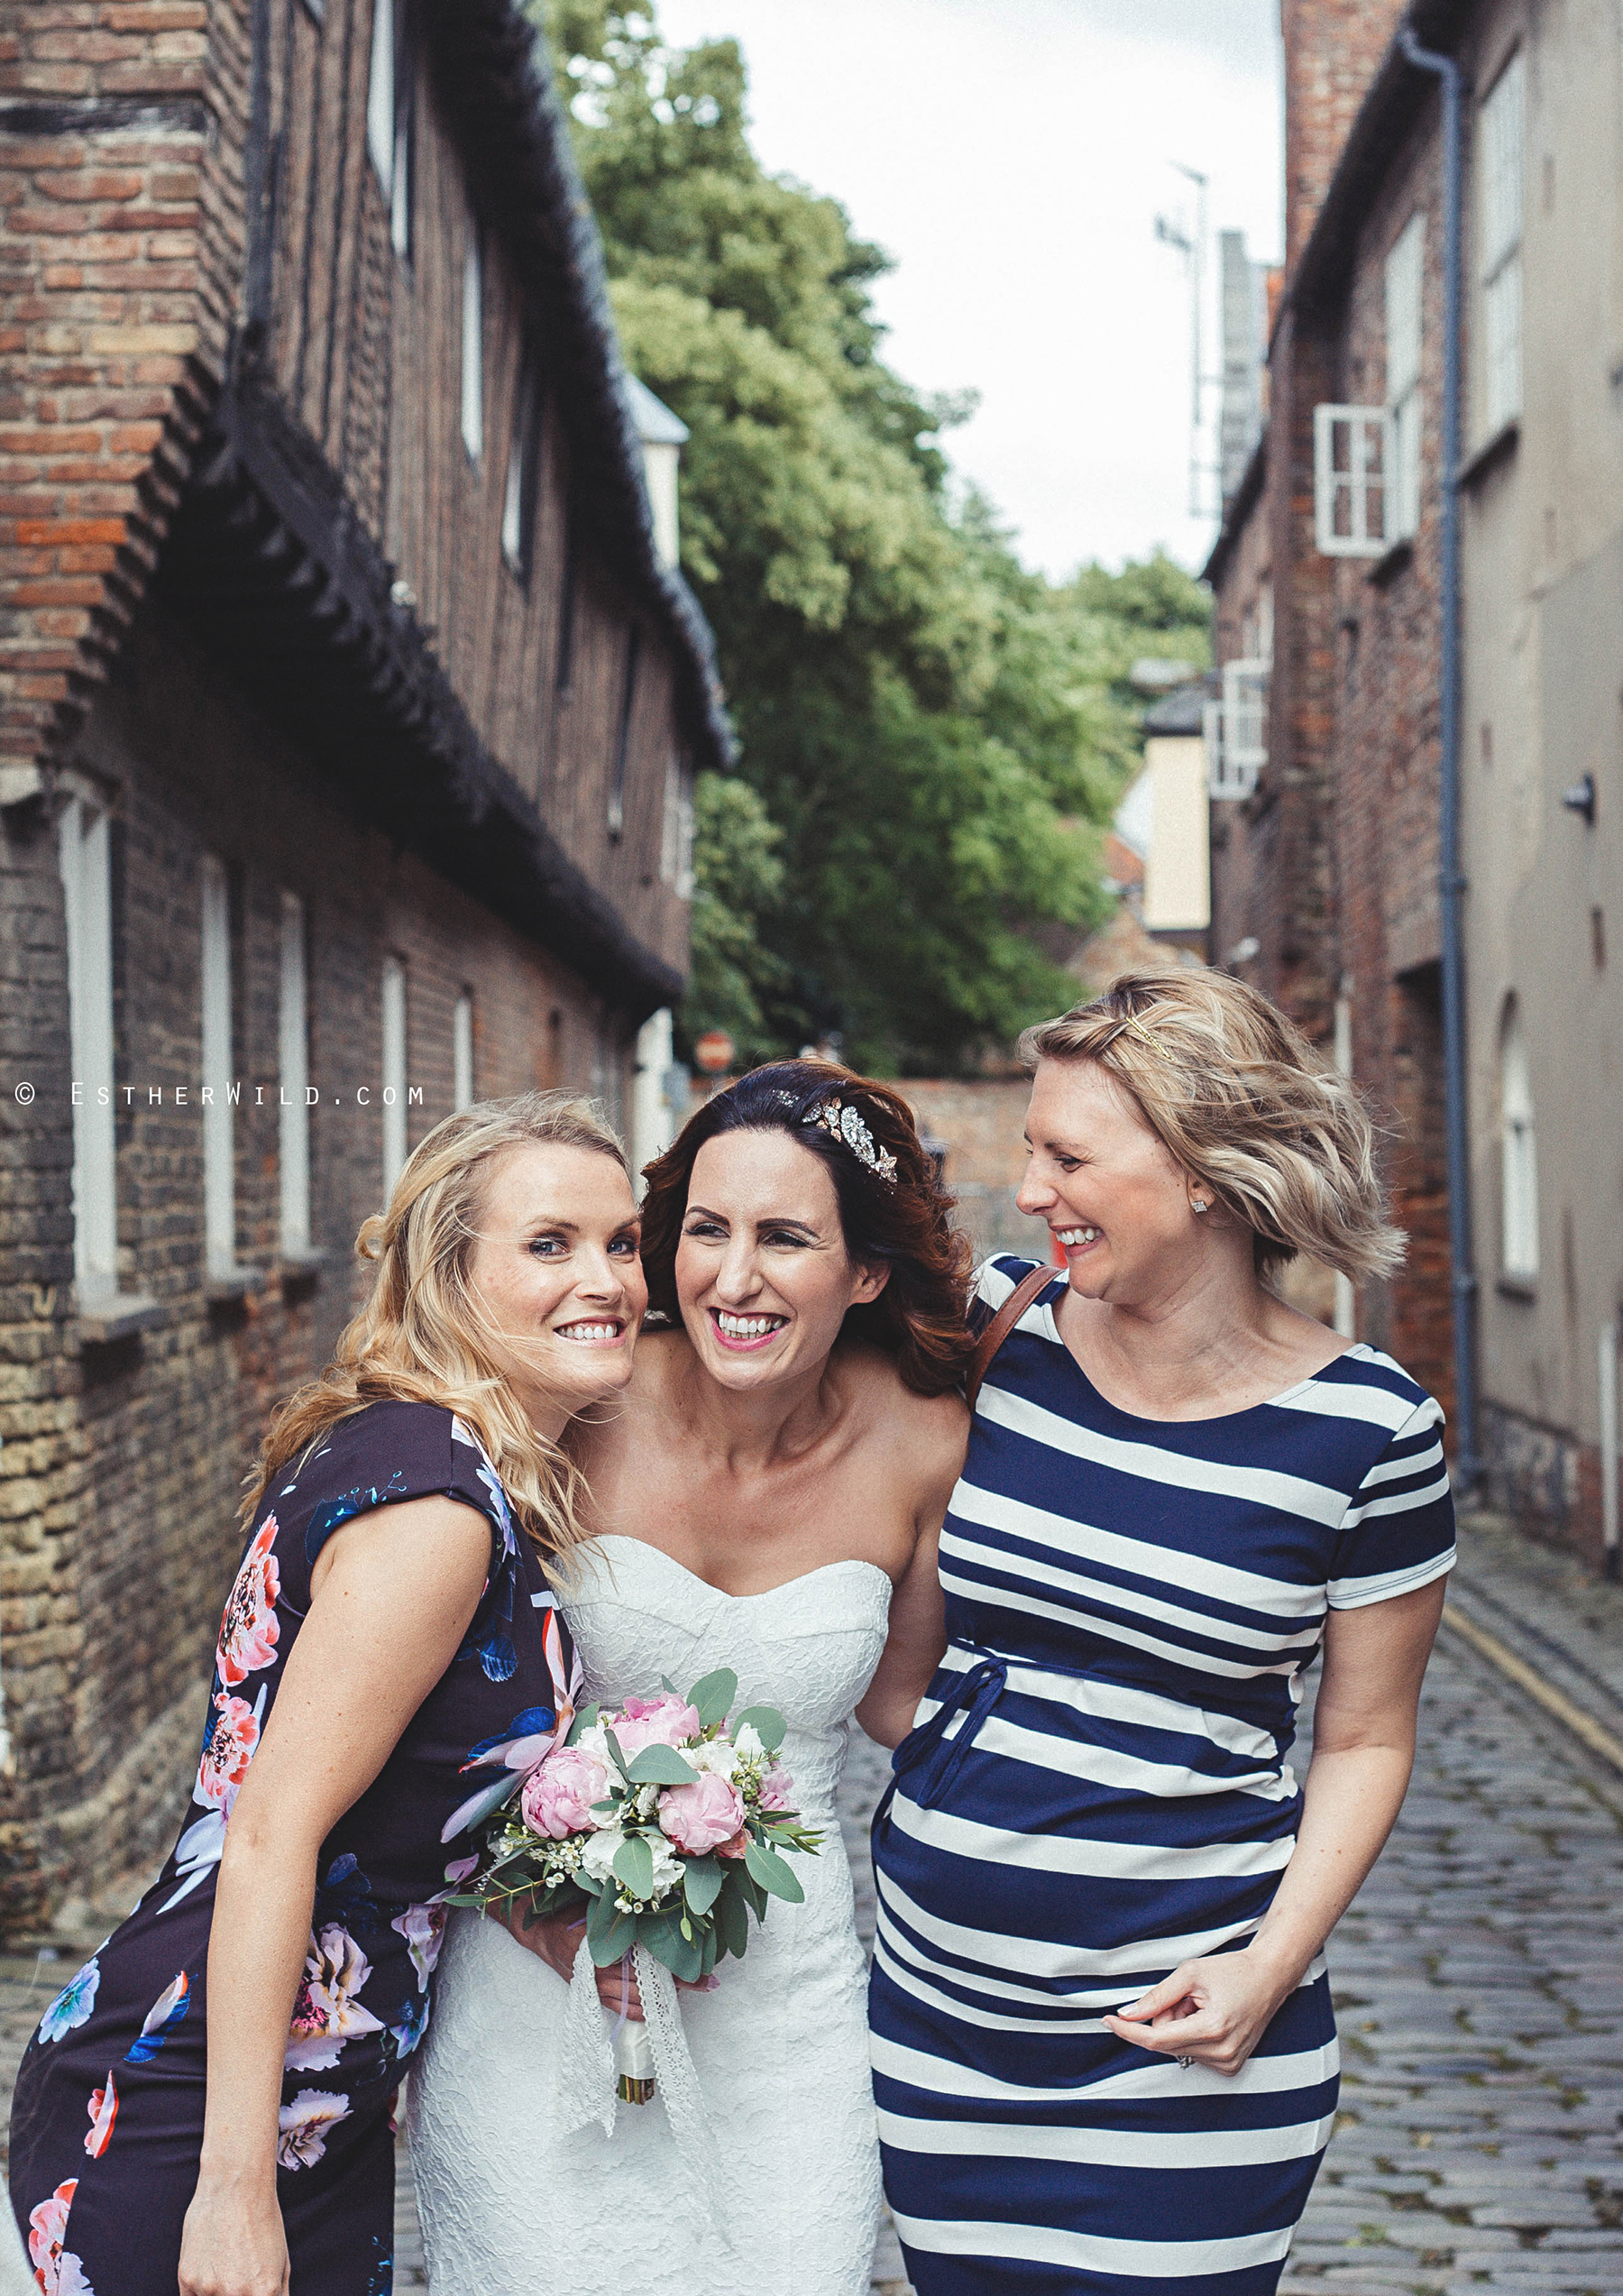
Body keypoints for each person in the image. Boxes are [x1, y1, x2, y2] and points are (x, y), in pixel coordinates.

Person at [869, 972, 1458, 2296]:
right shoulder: (992, 1338)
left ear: (1204, 1170)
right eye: (1031, 1147)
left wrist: (1270, 1964)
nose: (1030, 1192)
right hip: (943, 2025)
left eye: (1070, 1155)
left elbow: (1364, 1738)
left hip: (1191, 2050)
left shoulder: (1371, 1431)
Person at [8, 1092, 646, 2296]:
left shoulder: (425, 1455)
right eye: (550, 1243)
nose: (606, 1276)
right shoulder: (437, 1510)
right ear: (451, 1275)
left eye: (621, 1241)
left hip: (316, 2107)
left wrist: (544, 1910)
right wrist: (235, 2190)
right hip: (188, 2105)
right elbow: (270, 1831)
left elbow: (395, 1808)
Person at [409, 1061, 972, 2296]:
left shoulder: (929, 1438)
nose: (733, 1277)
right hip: (541, 1986)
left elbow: (901, 1707)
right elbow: (435, 1718)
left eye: (785, 1237)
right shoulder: (579, 1407)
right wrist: (533, 1904)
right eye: (707, 1231)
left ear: (865, 1270)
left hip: (785, 2010)